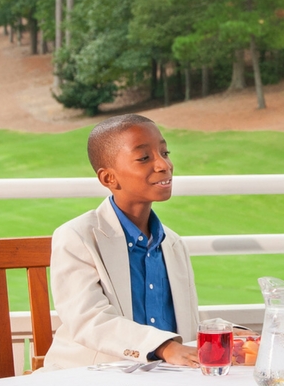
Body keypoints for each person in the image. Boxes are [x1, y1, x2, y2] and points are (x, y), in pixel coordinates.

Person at [43, 114, 200, 369]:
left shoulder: (173, 243)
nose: (164, 165)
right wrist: (163, 347)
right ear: (109, 179)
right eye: (144, 158)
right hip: (88, 381)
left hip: (165, 379)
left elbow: (186, 324)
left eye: (165, 152)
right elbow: (90, 321)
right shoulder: (77, 237)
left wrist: (227, 334)